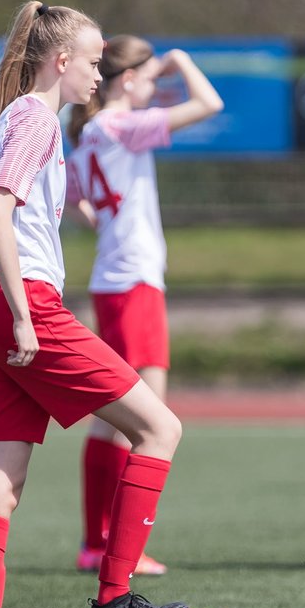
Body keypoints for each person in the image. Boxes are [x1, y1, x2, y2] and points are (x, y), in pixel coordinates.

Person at [0, 1, 188, 608]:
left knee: (0, 488)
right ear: (61, 61)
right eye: (93, 59)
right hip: (19, 301)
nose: (100, 71)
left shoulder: (21, 117)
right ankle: (115, 597)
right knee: (160, 428)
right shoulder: (33, 116)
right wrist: (28, 318)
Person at [64, 37, 222, 576]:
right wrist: (180, 59)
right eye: (146, 76)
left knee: (114, 418)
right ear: (126, 79)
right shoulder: (118, 126)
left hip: (116, 279)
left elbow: (72, 197)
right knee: (149, 420)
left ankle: (97, 542)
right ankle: (117, 549)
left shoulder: (86, 134)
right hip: (133, 283)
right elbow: (209, 105)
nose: (153, 85)